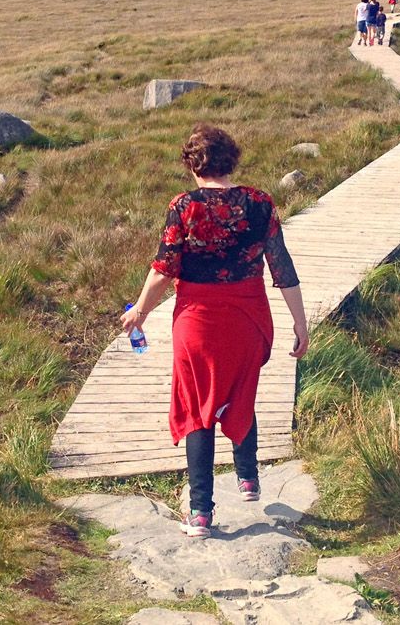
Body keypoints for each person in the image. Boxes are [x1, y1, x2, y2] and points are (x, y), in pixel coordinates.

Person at [122, 125, 309, 538]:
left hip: (199, 320)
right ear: (232, 159)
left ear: (192, 164)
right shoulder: (260, 202)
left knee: (197, 407)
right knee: (240, 390)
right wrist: (300, 321)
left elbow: (163, 270)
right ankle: (247, 477)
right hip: (249, 317)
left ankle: (201, 514)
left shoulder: (184, 206)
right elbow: (282, 268)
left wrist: (139, 311)